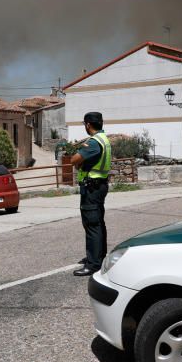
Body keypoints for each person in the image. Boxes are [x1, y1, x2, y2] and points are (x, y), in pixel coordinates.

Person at [71, 112, 112, 277]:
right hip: (99, 185)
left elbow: (74, 159)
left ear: (88, 124)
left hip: (92, 188)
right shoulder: (104, 139)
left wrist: (78, 161)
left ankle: (93, 263)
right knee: (98, 223)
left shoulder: (94, 142)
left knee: (92, 225)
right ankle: (99, 256)